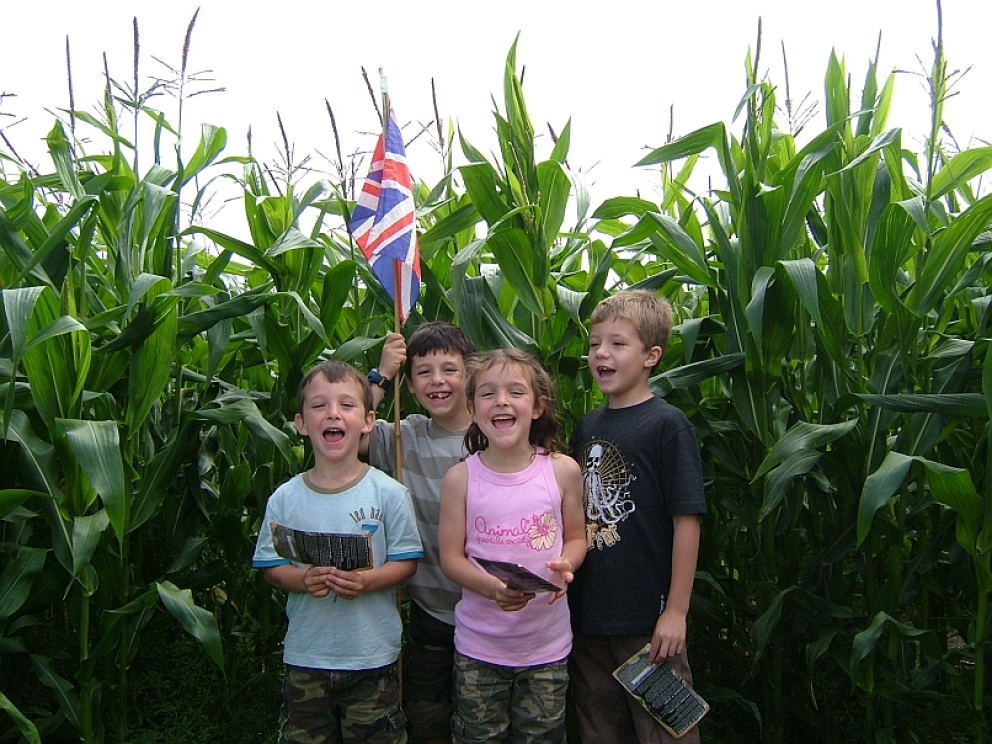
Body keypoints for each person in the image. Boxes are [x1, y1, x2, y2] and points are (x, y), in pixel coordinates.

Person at [253, 361, 423, 744]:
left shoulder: (389, 493)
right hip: (306, 657)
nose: (332, 413)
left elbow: (407, 562)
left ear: (367, 421)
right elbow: (270, 567)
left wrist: (366, 581)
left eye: (346, 405)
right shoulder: (285, 498)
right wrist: (302, 579)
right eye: (319, 406)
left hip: (373, 657)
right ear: (300, 423)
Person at [568, 290, 708, 744]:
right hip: (591, 619)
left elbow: (687, 521)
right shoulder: (587, 427)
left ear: (651, 356)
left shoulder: (668, 425)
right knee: (600, 731)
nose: (601, 354)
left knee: (669, 734)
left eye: (617, 344)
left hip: (649, 625)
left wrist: (676, 612)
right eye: (594, 344)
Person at [438, 348, 586, 744]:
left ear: (537, 407)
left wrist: (566, 564)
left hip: (547, 648)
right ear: (472, 409)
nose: (501, 401)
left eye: (515, 392)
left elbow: (576, 537)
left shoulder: (561, 471)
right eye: (487, 394)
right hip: (479, 647)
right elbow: (451, 557)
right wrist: (492, 589)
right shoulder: (460, 479)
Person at [363, 322, 476, 744]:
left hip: (490, 613)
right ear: (409, 386)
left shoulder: (497, 436)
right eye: (423, 372)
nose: (438, 381)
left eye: (450, 369)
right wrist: (380, 376)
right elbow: (348, 427)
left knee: (481, 716)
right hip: (430, 611)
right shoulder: (403, 436)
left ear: (471, 375)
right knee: (427, 715)